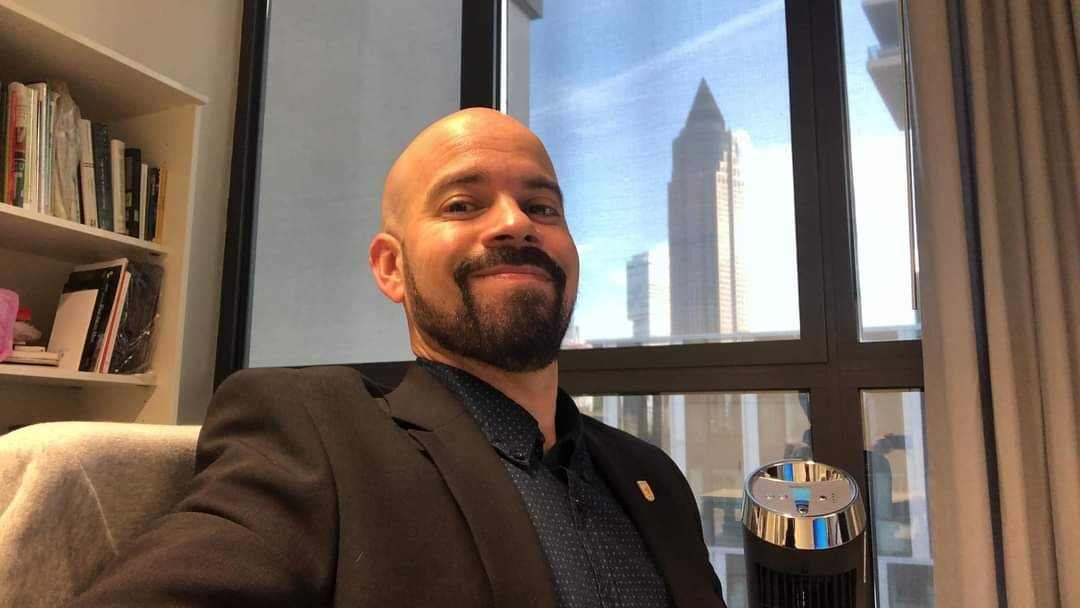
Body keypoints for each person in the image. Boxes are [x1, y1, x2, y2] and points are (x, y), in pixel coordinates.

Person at [72, 109, 727, 607]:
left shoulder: (655, 478)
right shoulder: (311, 433)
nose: (515, 223)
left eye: (542, 206)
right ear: (393, 268)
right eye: (462, 204)